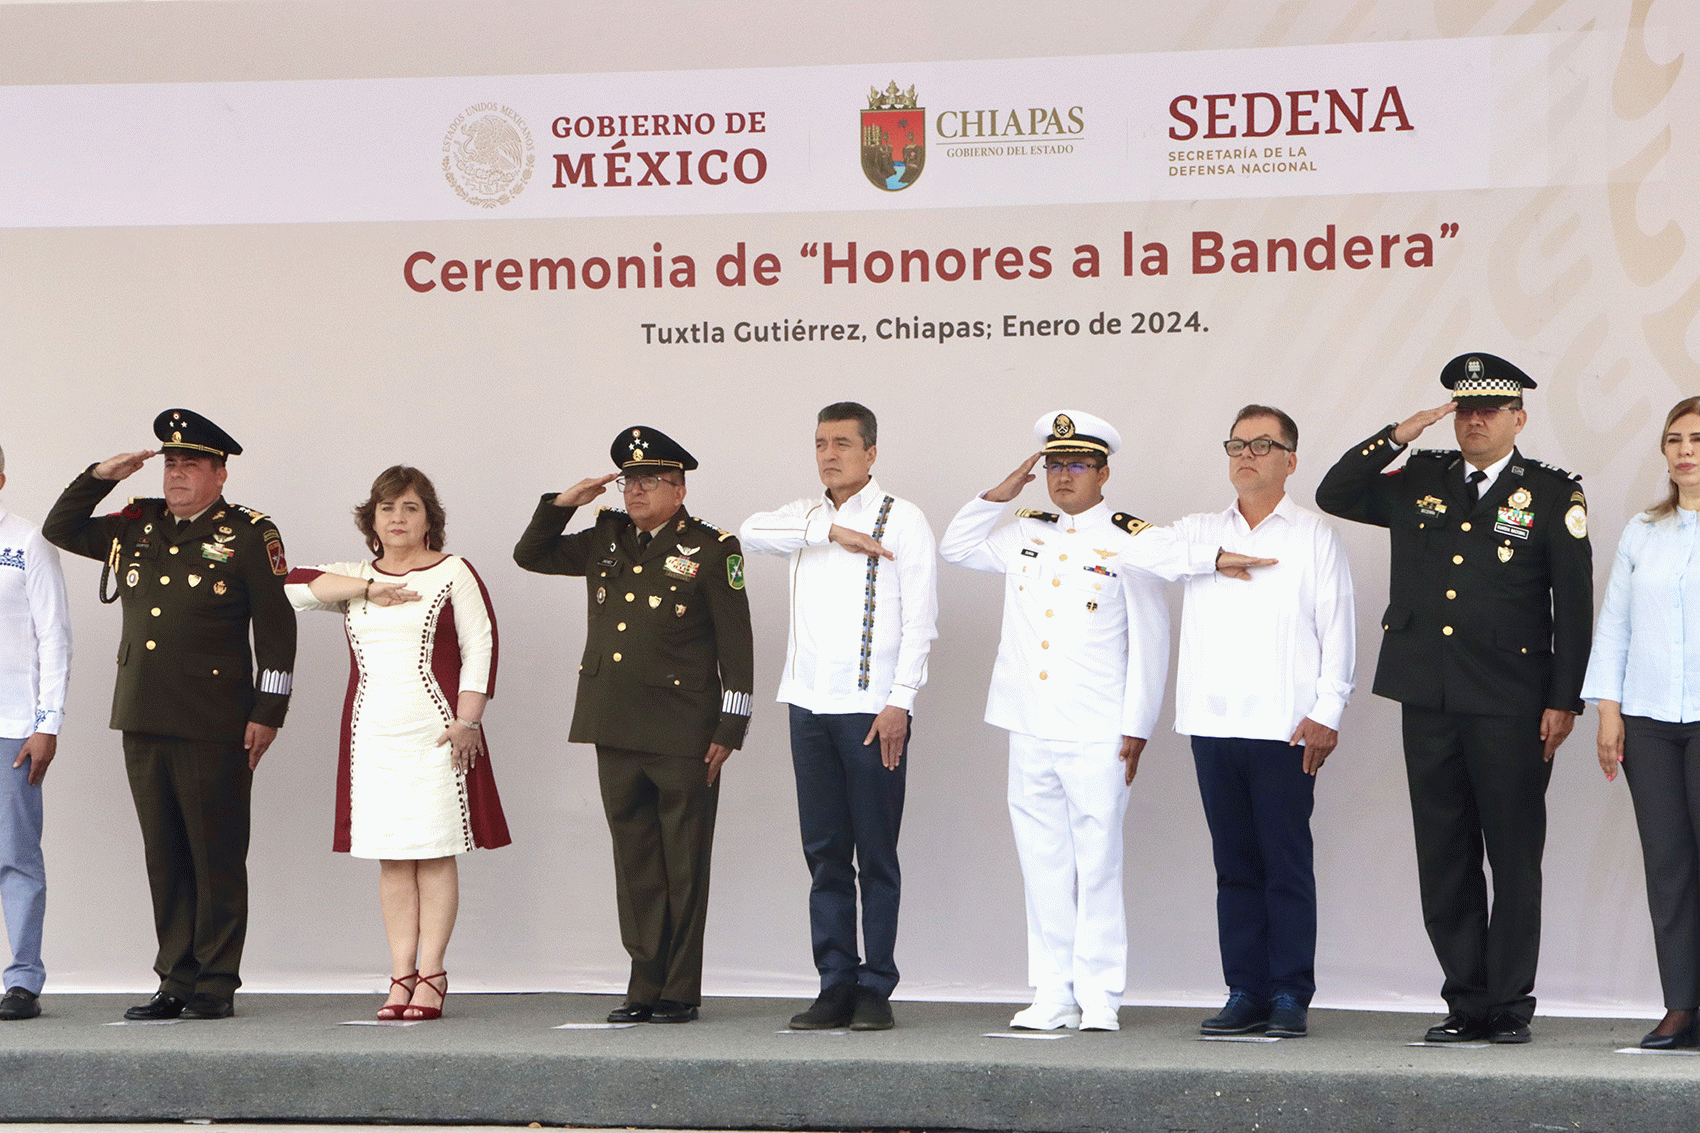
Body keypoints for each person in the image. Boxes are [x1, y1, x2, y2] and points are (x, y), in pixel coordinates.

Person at [939, 409, 1271, 1032]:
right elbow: (955, 547)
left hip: (1095, 727)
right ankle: (1052, 993)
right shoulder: (1021, 529)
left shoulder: (1129, 537)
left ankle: (1098, 996)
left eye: (1078, 465)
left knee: (1096, 866)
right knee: (1041, 865)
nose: (1064, 476)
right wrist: (998, 494)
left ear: (1103, 472)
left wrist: (1137, 726)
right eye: (1054, 464)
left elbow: (1157, 619)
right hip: (1028, 722)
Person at [1316, 353, 1592, 1044]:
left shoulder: (1553, 495)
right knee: (1444, 853)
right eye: (1463, 407)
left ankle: (1507, 1004)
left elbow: (1575, 607)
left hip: (1512, 700)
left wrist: (1566, 700)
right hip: (1429, 693)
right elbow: (1335, 491)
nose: (1472, 419)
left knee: (1513, 852)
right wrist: (1399, 433)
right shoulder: (1422, 476)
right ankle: (1466, 998)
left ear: (1517, 419)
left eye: (1488, 409)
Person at [43, 409, 297, 1021]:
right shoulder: (138, 525)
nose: (178, 475)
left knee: (216, 853)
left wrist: (270, 710)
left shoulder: (249, 533)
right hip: (144, 713)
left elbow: (278, 627)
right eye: (171, 464)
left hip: (217, 718)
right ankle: (173, 980)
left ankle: (214, 984)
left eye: (192, 465)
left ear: (220, 473)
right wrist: (101, 475)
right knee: (166, 854)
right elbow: (61, 526)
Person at [514, 425, 754, 1024]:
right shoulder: (606, 538)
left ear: (678, 488)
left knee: (683, 860)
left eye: (648, 482)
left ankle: (678, 988)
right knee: (636, 862)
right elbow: (532, 556)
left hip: (684, 729)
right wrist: (564, 504)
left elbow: (738, 644)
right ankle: (642, 982)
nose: (635, 492)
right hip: (614, 721)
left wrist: (730, 727)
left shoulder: (711, 546)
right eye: (628, 482)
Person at [739, 402, 938, 1032]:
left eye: (844, 444)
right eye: (822, 443)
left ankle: (877, 984)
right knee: (825, 853)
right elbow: (747, 531)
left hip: (871, 710)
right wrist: (829, 532)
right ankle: (835, 980)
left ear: (872, 453)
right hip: (808, 706)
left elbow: (921, 620)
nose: (830, 454)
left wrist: (900, 699)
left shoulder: (903, 520)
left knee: (876, 852)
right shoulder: (804, 517)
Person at [284, 465, 509, 1022]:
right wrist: (368, 589)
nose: (398, 519)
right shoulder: (353, 576)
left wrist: (468, 721)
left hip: (436, 731)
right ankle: (400, 974)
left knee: (433, 853)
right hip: (373, 734)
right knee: (392, 859)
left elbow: (480, 648)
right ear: (372, 519)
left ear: (429, 517)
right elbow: (289, 588)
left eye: (409, 508)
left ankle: (432, 973)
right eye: (387, 509)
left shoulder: (454, 572)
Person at [1172, 406, 1355, 1039]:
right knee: (1234, 865)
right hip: (1213, 722)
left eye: (1262, 444)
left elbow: (1338, 629)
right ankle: (1244, 989)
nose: (1246, 454)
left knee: (1284, 862)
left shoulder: (1310, 535)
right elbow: (1139, 555)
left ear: (1290, 460)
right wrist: (1213, 559)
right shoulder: (1197, 531)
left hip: (1283, 726)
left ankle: (1289, 994)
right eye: (1237, 444)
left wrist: (1326, 711)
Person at [1582, 395, 1700, 1049]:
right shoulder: (1641, 531)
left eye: (1698, 438)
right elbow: (1616, 624)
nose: (1685, 449)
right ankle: (1681, 1005)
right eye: (1675, 438)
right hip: (1651, 721)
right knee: (1668, 864)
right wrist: (1608, 710)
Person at [0, 446, 71, 1021]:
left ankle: (23, 980)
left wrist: (48, 724)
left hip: (12, 728)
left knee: (15, 856)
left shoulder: (27, 543)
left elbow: (55, 638)